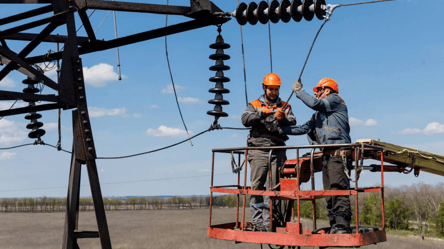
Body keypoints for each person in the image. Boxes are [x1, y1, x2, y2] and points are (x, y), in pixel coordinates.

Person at [281, 78, 352, 234]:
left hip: (339, 155)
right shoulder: (318, 115)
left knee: (338, 191)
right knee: (329, 193)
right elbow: (302, 128)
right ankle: (334, 225)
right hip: (327, 156)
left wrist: (299, 92)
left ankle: (342, 226)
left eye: (319, 89)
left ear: (327, 90)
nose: (316, 92)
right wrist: (280, 128)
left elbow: (315, 103)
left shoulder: (335, 100)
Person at [241, 73, 296, 232]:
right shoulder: (255, 104)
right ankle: (259, 223)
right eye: (270, 89)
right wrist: (260, 114)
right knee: (257, 185)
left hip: (277, 149)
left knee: (275, 186)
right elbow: (245, 119)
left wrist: (282, 118)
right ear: (264, 88)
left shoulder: (285, 106)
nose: (273, 92)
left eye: (276, 89)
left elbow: (293, 121)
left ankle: (272, 221)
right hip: (258, 149)